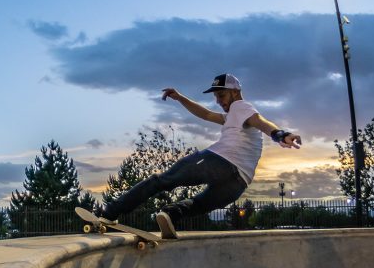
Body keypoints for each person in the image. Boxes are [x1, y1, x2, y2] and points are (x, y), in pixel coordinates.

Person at [100, 72, 302, 238]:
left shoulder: (242, 107)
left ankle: (109, 214)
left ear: (235, 92)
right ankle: (169, 214)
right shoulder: (233, 115)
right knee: (197, 205)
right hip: (237, 183)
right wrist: (181, 98)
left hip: (220, 161)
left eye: (221, 95)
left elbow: (261, 121)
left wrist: (279, 135)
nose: (218, 101)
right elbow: (206, 114)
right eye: (216, 97)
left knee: (161, 181)